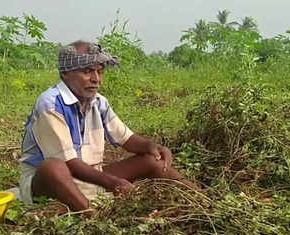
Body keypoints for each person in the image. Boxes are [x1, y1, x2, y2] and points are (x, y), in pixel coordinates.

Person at [18, 40, 196, 212]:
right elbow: (69, 164)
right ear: (65, 74)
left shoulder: (98, 102)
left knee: (150, 160)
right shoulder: (50, 105)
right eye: (87, 71)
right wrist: (112, 183)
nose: (96, 79)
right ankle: (89, 215)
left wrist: (152, 147)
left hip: (90, 176)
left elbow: (126, 138)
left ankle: (200, 198)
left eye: (99, 72)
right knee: (53, 167)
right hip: (51, 184)